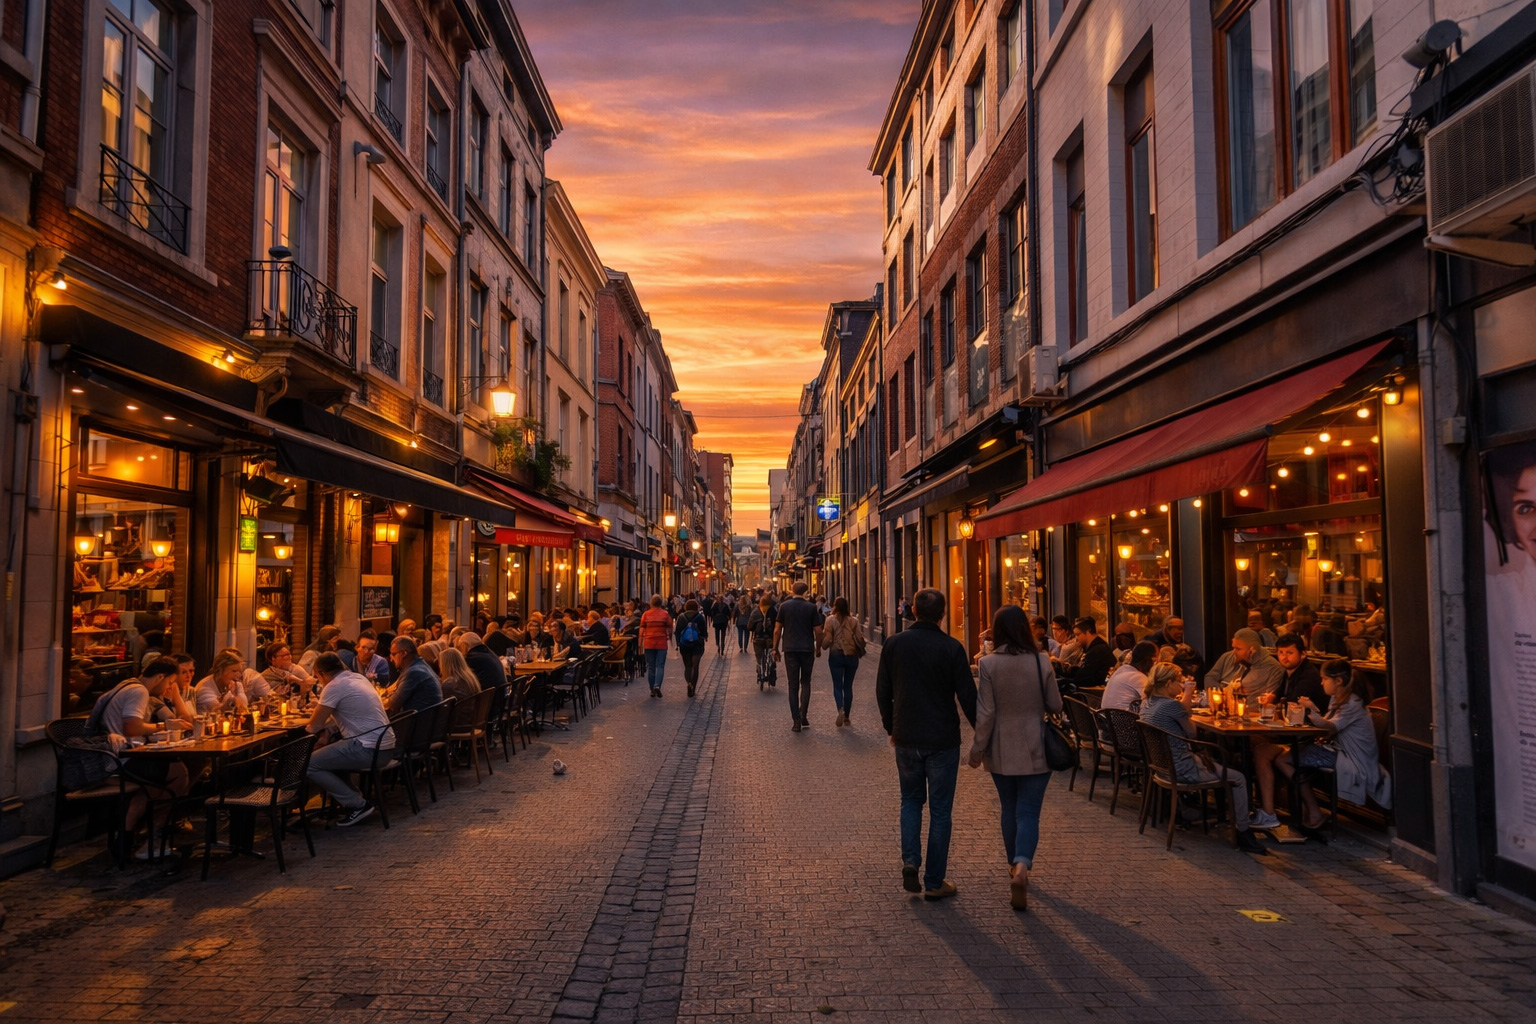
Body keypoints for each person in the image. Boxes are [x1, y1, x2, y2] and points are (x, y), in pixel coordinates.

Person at [877, 588, 977, 900]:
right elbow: (968, 697)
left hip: (907, 735)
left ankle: (910, 861)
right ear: (942, 614)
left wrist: (891, 727)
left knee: (910, 800)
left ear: (913, 612)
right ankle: (934, 880)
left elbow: (883, 691)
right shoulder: (951, 647)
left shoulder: (894, 644)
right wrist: (983, 734)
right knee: (941, 810)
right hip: (943, 739)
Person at [966, 606, 1060, 911]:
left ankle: (1012, 865)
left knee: (1009, 807)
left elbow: (987, 713)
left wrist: (977, 749)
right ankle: (1023, 865)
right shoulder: (1041, 660)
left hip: (1001, 747)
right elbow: (1055, 705)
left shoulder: (989, 664)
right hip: (1036, 744)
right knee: (1029, 812)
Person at [1138, 663, 1267, 854]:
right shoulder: (1171, 705)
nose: (1181, 686)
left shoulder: (1146, 702)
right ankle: (1243, 831)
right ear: (1168, 684)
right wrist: (1187, 696)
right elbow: (1192, 733)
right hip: (1182, 769)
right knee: (1238, 778)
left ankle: (1227, 816)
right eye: (1179, 682)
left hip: (1162, 766)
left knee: (1219, 763)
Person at [1249, 660, 1390, 830]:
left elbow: (1330, 727)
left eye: (1324, 679)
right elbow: (1329, 724)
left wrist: (1311, 711)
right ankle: (1294, 809)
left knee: (1284, 759)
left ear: (1337, 681)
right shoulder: (1337, 698)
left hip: (1350, 758)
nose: (1321, 682)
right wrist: (1313, 709)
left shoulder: (1351, 703)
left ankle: (1311, 809)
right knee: (1267, 751)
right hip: (1335, 749)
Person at [86, 657, 193, 856]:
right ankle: (156, 837)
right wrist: (165, 726)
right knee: (180, 773)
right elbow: (132, 727)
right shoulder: (139, 691)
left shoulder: (127, 685)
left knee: (152, 784)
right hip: (120, 760)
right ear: (160, 677)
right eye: (169, 683)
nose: (168, 688)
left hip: (111, 757)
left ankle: (125, 837)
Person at [304, 652, 395, 827]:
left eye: (317, 677)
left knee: (309, 763)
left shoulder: (334, 686)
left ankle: (357, 804)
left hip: (367, 749)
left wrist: (314, 727)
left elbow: (313, 726)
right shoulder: (358, 678)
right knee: (327, 754)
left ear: (322, 673)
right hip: (384, 747)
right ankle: (351, 799)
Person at [775, 581, 824, 731]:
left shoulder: (784, 606)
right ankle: (803, 715)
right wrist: (818, 648)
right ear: (806, 592)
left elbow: (777, 630)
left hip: (790, 649)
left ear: (792, 590)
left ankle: (796, 720)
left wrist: (775, 648)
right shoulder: (811, 608)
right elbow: (818, 631)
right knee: (806, 683)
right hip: (807, 649)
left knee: (793, 685)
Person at [1204, 628, 1285, 699]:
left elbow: (1268, 699)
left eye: (1238, 649)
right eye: (1233, 647)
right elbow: (1210, 677)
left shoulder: (1273, 668)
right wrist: (1221, 693)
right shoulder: (1228, 657)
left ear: (1252, 650)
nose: (1234, 652)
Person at [821, 597, 864, 727]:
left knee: (837, 685)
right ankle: (846, 717)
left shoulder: (829, 620)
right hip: (851, 655)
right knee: (848, 686)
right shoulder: (854, 621)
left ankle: (840, 709)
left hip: (836, 655)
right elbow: (860, 638)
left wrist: (822, 646)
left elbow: (827, 639)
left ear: (835, 606)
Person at [1267, 634, 1328, 712]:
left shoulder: (1309, 675)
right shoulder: (1288, 671)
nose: (1284, 657)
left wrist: (1274, 706)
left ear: (1303, 654)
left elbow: (1293, 704)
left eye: (1289, 653)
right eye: (1281, 652)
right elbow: (1279, 697)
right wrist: (1271, 699)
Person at [385, 636, 442, 714]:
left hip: (417, 722)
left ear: (404, 653)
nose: (391, 659)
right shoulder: (421, 665)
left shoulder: (413, 672)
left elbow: (393, 704)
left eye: (393, 654)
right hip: (426, 719)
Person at [1057, 617, 1115, 689]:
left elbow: (1084, 678)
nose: (1076, 639)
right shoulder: (1095, 648)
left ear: (1088, 632)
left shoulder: (1097, 651)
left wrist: (1064, 681)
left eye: (1078, 634)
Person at [1103, 641, 1157, 713]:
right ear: (1150, 660)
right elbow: (1153, 702)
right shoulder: (1138, 677)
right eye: (1156, 659)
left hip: (1107, 720)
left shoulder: (1122, 670)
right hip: (1123, 721)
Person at [674, 599, 709, 698]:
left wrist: (678, 644)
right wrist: (704, 637)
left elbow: (677, 632)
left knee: (688, 666)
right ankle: (693, 686)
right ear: (696, 607)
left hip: (684, 645)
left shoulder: (681, 617)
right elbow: (703, 632)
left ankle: (689, 683)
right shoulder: (700, 617)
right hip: (697, 644)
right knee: (695, 666)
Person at [640, 595, 673, 698]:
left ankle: (652, 690)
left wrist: (639, 644)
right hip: (661, 643)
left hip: (649, 642)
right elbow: (670, 627)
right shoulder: (665, 614)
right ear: (661, 603)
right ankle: (657, 685)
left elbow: (641, 630)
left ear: (651, 603)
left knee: (651, 667)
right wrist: (670, 639)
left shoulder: (646, 614)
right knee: (660, 666)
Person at [455, 631, 507, 695]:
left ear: (465, 645)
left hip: (488, 699)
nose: (460, 650)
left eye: (460, 646)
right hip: (500, 695)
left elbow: (463, 680)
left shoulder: (472, 657)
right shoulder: (490, 653)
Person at [749, 597, 777, 686]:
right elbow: (777, 624)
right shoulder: (773, 611)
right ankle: (771, 668)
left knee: (759, 656)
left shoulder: (755, 611)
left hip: (758, 637)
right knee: (771, 653)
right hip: (769, 637)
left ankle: (760, 669)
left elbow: (750, 627)